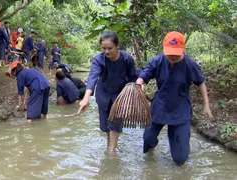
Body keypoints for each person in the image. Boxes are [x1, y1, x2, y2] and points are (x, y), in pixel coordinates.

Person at [136, 31, 214, 166]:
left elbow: (201, 83)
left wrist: (206, 105)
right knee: (148, 139)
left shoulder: (190, 64)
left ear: (183, 49)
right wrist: (139, 83)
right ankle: (152, 152)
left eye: (175, 53)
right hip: (160, 105)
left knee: (180, 159)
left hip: (180, 108)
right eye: (169, 53)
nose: (172, 56)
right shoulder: (158, 60)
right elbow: (144, 75)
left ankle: (181, 145)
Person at [77, 31, 138, 155]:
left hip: (120, 96)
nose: (107, 51)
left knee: (115, 124)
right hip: (103, 95)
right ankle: (110, 145)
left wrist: (134, 93)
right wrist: (86, 98)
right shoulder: (99, 59)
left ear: (117, 46)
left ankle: (112, 151)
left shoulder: (127, 59)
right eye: (104, 48)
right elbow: (93, 77)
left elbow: (133, 77)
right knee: (105, 127)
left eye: (110, 48)